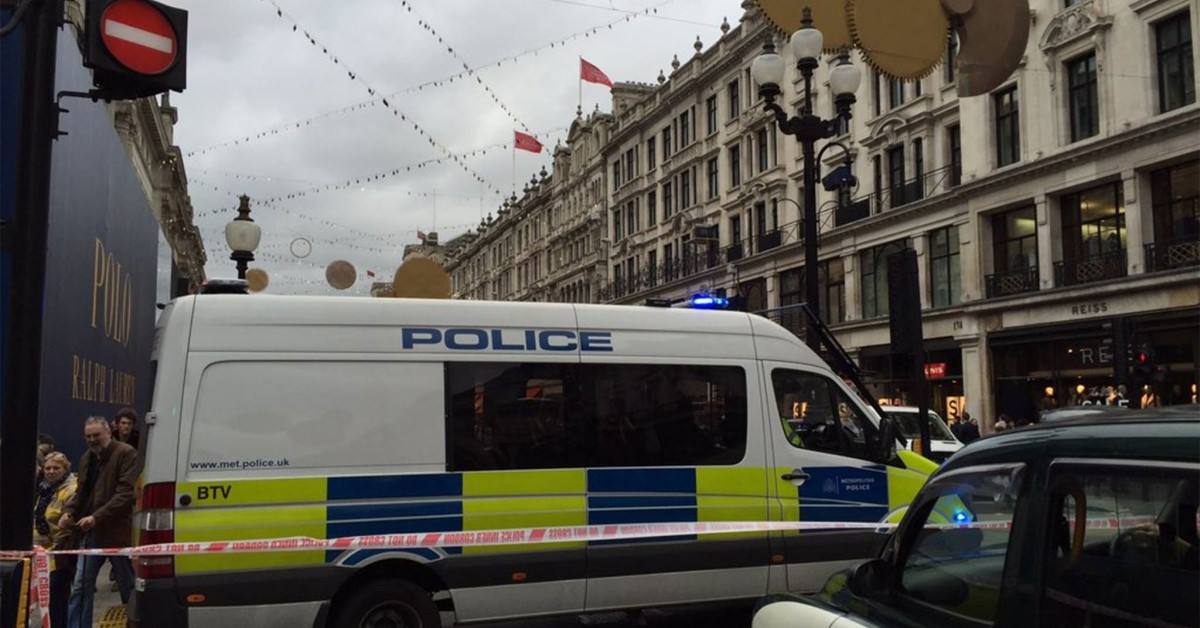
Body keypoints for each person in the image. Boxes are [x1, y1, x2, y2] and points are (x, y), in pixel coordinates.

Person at [59, 416, 139, 628]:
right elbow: (81, 493)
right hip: (90, 533)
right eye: (88, 436)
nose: (92, 440)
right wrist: (69, 512)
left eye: (96, 435)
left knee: (128, 586)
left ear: (108, 433)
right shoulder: (86, 459)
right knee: (80, 587)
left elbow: (125, 494)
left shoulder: (127, 454)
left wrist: (97, 517)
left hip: (118, 534)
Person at [33, 452, 78, 628]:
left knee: (57, 597)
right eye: (48, 468)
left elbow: (67, 523)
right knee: (49, 599)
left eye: (56, 468)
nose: (51, 472)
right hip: (43, 553)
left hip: (60, 552)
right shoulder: (44, 489)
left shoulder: (71, 489)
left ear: (66, 469)